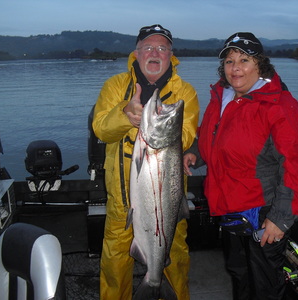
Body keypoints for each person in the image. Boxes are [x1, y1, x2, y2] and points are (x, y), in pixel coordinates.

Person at [184, 32, 298, 299]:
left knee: (264, 284)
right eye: (230, 61)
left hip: (263, 212)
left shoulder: (279, 104)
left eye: (244, 60)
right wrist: (197, 152)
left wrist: (279, 218)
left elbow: (297, 166)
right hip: (229, 207)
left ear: (260, 64)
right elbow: (213, 135)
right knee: (239, 273)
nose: (236, 68)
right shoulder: (222, 96)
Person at [93, 24, 199, 299]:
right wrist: (125, 114)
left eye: (162, 48)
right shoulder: (115, 86)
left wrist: (154, 124)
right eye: (149, 47)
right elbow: (101, 129)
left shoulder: (185, 92)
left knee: (175, 263)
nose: (155, 52)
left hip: (168, 202)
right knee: (114, 269)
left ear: (170, 55)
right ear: (137, 53)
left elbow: (185, 135)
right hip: (120, 202)